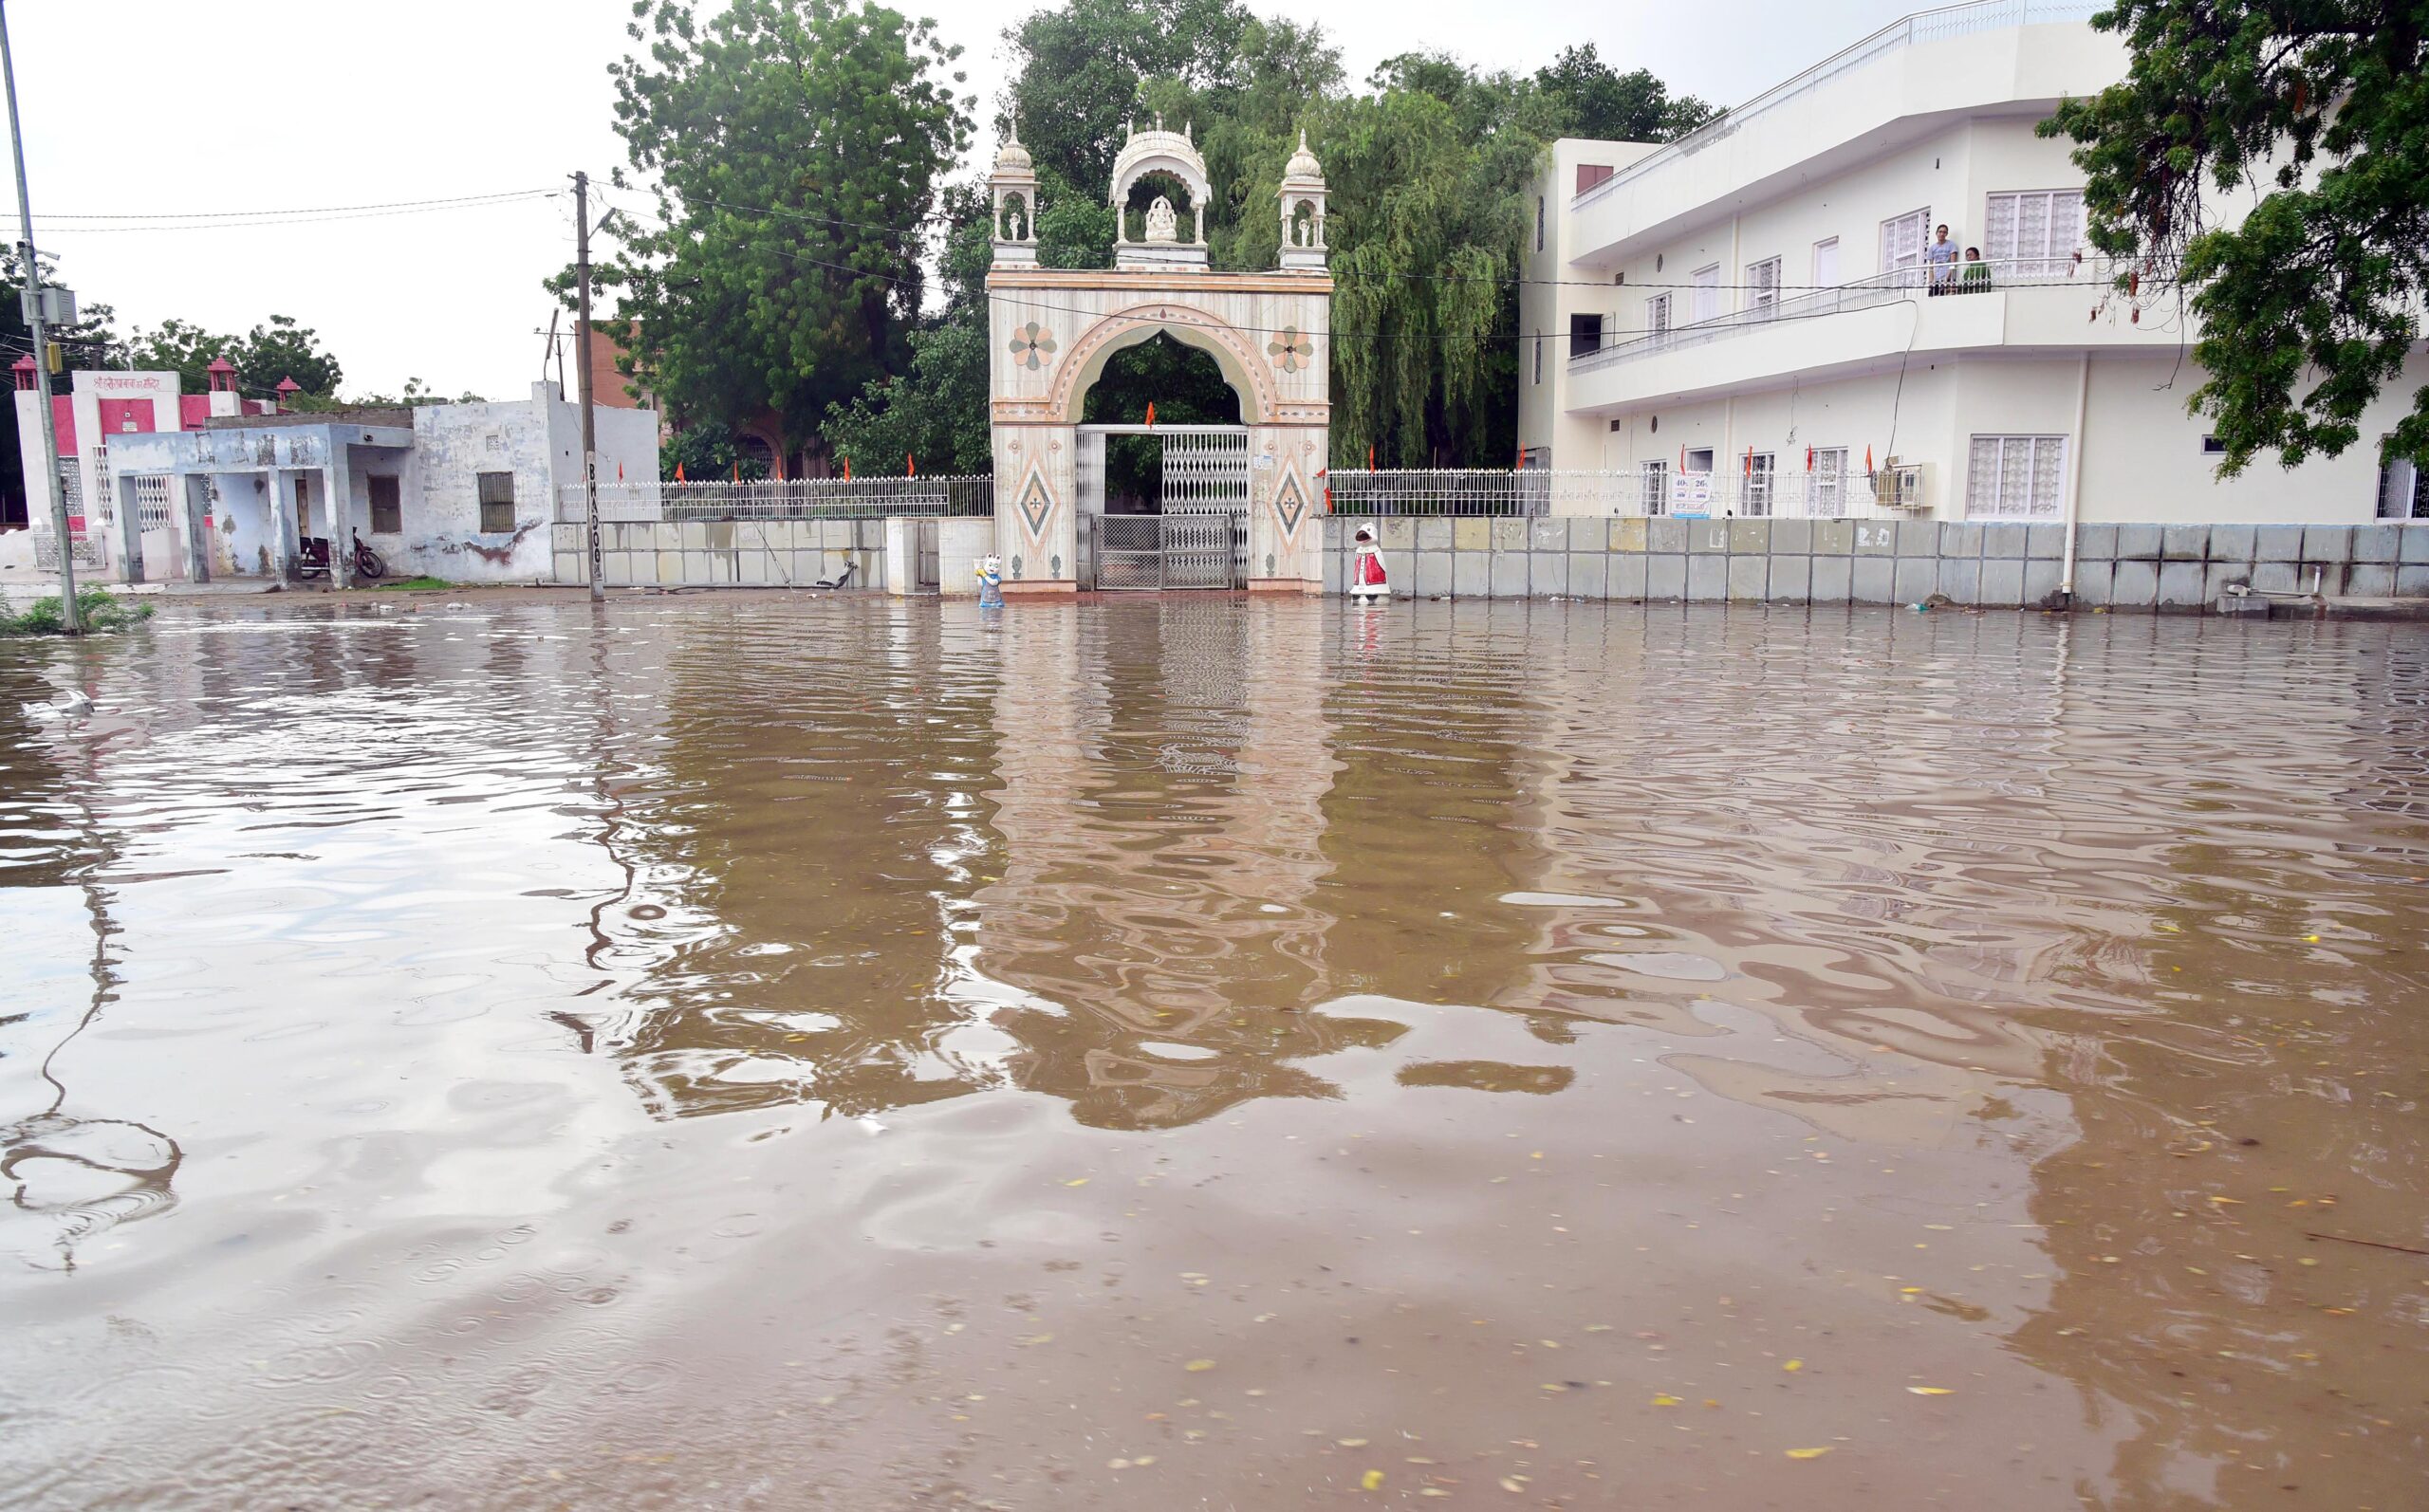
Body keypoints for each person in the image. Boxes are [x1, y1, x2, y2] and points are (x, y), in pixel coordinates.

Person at [1348, 526, 1390, 601]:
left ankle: (1373, 594)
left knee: (1374, 591)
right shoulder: (1358, 550)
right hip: (1359, 578)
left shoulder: (1376, 550)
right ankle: (1357, 594)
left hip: (1373, 578)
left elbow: (1382, 566)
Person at [1926, 223, 1958, 295]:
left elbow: (1953, 264)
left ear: (1946, 234)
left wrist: (1946, 280)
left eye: (1944, 232)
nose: (1942, 234)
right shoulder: (1932, 248)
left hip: (1948, 278)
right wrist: (1931, 283)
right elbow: (1930, 267)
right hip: (1937, 279)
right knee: (1932, 298)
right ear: (1936, 233)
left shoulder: (1951, 245)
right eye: (1940, 232)